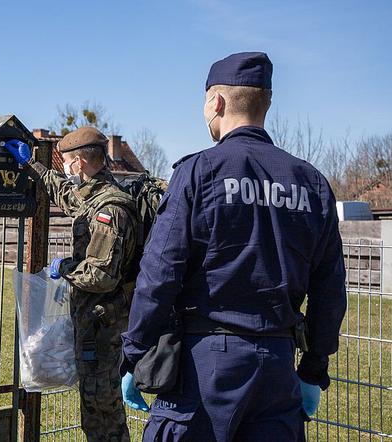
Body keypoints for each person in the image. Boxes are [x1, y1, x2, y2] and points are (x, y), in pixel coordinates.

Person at [120, 52, 347, 441]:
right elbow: (330, 288)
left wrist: (135, 353)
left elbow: (160, 273)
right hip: (277, 366)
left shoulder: (198, 172)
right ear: (267, 103)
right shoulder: (310, 182)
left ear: (216, 102)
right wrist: (313, 368)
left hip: (203, 368)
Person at [6, 127, 138, 442]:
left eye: (66, 162)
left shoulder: (110, 210)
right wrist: (33, 166)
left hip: (103, 328)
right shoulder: (94, 194)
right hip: (92, 324)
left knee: (102, 413)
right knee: (95, 411)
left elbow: (100, 275)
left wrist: (64, 267)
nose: (66, 169)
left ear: (78, 162)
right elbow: (66, 195)